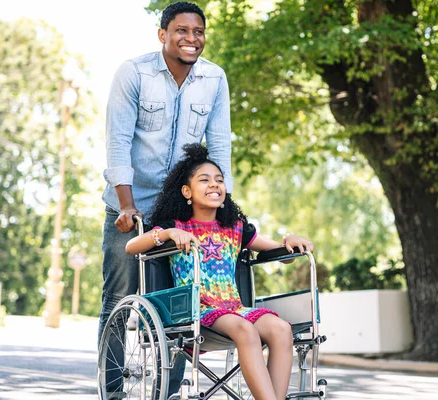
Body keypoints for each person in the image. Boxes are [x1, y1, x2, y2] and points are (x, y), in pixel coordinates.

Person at [100, 1, 233, 396]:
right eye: (181, 31)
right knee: (119, 298)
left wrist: (221, 206)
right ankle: (112, 390)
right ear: (163, 35)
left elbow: (220, 144)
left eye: (198, 32)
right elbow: (118, 140)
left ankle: (170, 391)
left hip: (180, 211)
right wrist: (126, 205)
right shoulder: (134, 73)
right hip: (131, 206)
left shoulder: (214, 78)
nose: (191, 39)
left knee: (179, 302)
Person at [126, 144, 314, 400]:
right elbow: (132, 246)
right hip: (197, 309)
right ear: (186, 191)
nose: (214, 185)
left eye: (219, 180)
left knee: (281, 329)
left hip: (234, 307)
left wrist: (290, 241)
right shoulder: (176, 226)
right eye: (205, 180)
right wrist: (168, 234)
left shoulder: (235, 228)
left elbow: (280, 253)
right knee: (245, 330)